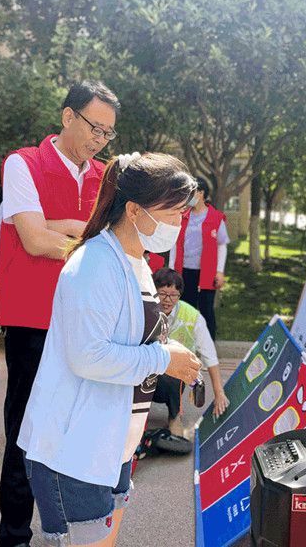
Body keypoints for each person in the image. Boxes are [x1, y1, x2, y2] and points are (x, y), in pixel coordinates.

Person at [18, 152, 202, 547]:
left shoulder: (137, 263)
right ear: (135, 211)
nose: (179, 223)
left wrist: (165, 350)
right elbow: (88, 355)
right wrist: (165, 358)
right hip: (74, 451)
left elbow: (129, 337)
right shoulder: (95, 264)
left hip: (112, 443)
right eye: (172, 215)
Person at [0, 80, 117, 547]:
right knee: (24, 435)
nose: (99, 140)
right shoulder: (23, 164)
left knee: (77, 433)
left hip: (87, 323)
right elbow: (33, 240)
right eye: (94, 127)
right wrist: (77, 235)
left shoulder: (106, 175)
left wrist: (60, 227)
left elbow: (113, 242)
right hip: (33, 321)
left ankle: (63, 531)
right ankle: (14, 538)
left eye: (108, 133)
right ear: (68, 116)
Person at [152, 267, 230, 437]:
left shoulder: (193, 317)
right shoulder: (145, 308)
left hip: (172, 376)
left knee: (177, 372)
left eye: (173, 295)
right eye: (162, 294)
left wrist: (219, 393)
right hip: (145, 368)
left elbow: (210, 355)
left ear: (180, 295)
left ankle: (174, 418)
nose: (167, 300)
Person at [169, 177, 229, 339]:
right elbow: (175, 244)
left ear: (201, 193)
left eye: (191, 193)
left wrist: (220, 271)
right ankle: (187, 344)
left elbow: (222, 245)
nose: (188, 197)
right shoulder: (183, 216)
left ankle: (209, 347)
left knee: (206, 309)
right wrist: (172, 270)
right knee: (186, 308)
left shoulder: (216, 218)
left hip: (207, 272)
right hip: (184, 270)